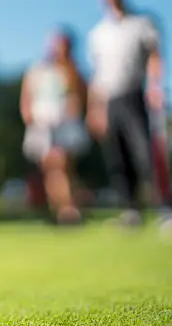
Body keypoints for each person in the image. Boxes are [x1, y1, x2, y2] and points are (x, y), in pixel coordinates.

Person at [86, 0, 166, 227]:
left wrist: (154, 86)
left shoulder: (143, 23)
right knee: (119, 159)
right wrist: (95, 108)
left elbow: (154, 56)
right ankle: (131, 211)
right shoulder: (98, 33)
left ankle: (165, 209)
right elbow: (97, 74)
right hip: (109, 100)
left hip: (136, 96)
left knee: (146, 154)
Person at [20, 27, 89, 225]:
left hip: (65, 123)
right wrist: (29, 116)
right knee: (51, 169)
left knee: (62, 165)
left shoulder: (72, 69)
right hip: (41, 125)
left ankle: (68, 209)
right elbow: (26, 96)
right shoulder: (37, 69)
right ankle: (62, 209)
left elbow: (79, 95)